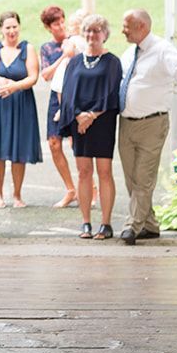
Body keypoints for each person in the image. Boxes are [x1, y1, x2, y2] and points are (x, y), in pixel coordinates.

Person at [114, 8, 177, 245]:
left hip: (152, 124)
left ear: (141, 27)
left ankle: (132, 226)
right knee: (131, 179)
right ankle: (149, 225)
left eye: (126, 26)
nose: (122, 30)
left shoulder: (161, 50)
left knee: (143, 178)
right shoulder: (129, 53)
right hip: (126, 123)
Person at [59, 14, 123, 241]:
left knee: (104, 172)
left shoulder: (113, 61)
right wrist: (78, 116)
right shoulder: (74, 62)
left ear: (105, 34)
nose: (91, 35)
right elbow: (67, 93)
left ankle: (105, 224)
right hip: (80, 124)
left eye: (96, 31)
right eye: (88, 31)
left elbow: (112, 92)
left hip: (102, 121)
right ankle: (85, 222)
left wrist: (92, 115)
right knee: (84, 172)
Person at [0, 10, 41, 209]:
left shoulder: (28, 48)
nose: (12, 30)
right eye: (8, 27)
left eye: (15, 26)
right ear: (1, 29)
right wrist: (0, 80)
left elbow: (33, 77)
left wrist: (14, 86)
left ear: (19, 27)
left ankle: (17, 194)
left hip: (21, 103)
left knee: (18, 150)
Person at [39, 6, 82, 208]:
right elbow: (46, 75)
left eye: (62, 21)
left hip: (76, 96)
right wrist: (63, 57)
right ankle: (70, 190)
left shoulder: (75, 41)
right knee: (54, 144)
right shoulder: (47, 49)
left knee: (78, 144)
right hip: (56, 98)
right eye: (56, 23)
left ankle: (89, 189)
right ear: (48, 27)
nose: (61, 26)